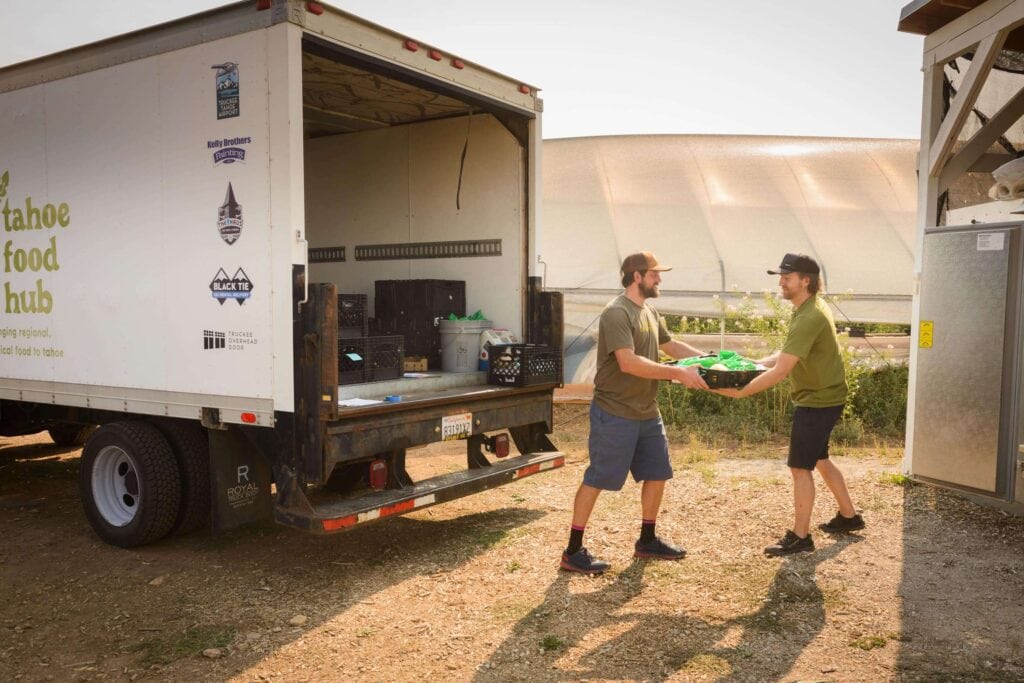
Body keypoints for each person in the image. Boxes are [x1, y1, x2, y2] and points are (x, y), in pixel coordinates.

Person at [560, 252, 710, 575]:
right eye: (655, 274)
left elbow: (671, 346)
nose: (659, 279)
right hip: (615, 412)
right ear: (637, 276)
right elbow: (627, 363)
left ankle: (647, 540)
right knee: (598, 478)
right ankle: (572, 551)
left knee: (658, 473)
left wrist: (712, 359)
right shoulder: (617, 313)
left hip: (646, 411)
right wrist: (677, 374)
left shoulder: (650, 312)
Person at [713, 253, 865, 557]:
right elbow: (785, 357)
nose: (781, 282)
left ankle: (800, 537)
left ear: (805, 280)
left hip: (817, 401)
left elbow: (782, 371)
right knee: (819, 459)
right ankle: (849, 517)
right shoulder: (808, 308)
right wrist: (753, 364)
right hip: (826, 396)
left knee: (800, 467)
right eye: (780, 276)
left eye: (786, 277)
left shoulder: (809, 316)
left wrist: (742, 391)